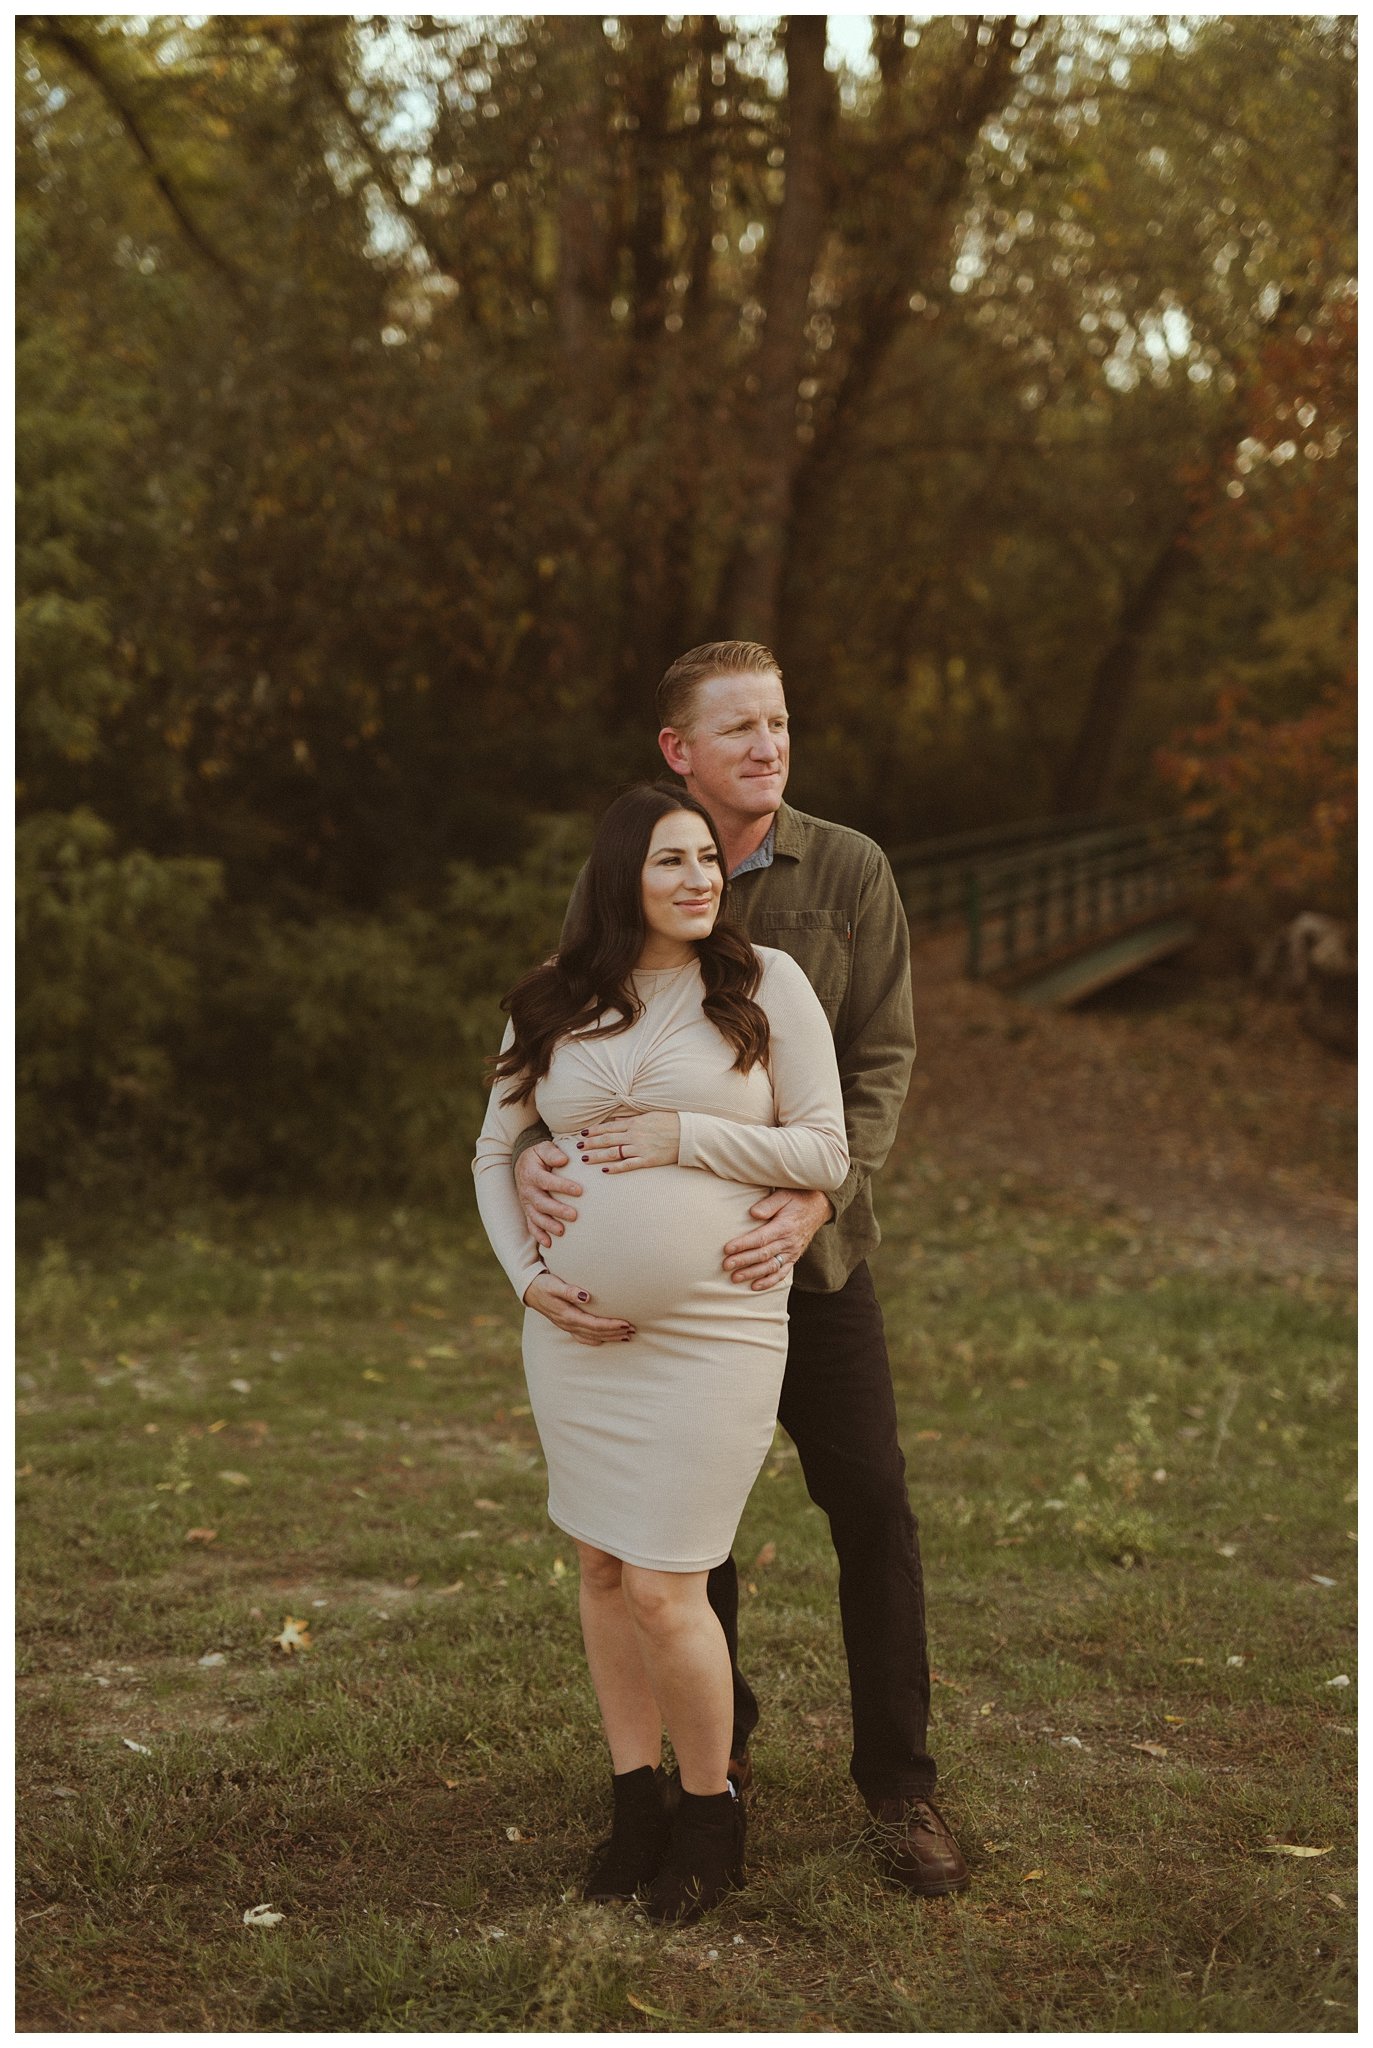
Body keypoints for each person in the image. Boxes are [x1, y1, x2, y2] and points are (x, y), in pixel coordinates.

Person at [512, 642, 969, 1896]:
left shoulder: (850, 869)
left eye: (779, 722)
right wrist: (533, 1165)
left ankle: (900, 1784)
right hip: (648, 1310)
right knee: (674, 1541)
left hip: (805, 1268)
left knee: (869, 1503)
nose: (768, 746)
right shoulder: (625, 863)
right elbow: (567, 1046)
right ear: (678, 751)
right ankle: (717, 1762)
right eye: (739, 729)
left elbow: (878, 1058)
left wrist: (814, 1191)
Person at [472, 783, 847, 1922]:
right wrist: (530, 1282)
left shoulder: (763, 987)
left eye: (704, 859)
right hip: (579, 1334)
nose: (696, 878)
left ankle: (710, 1809)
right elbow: (493, 1152)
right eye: (668, 861)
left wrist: (687, 1134)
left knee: (666, 1582)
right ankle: (634, 1801)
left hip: (713, 1328)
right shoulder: (550, 1000)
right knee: (598, 1568)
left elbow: (824, 1146)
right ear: (618, 877)